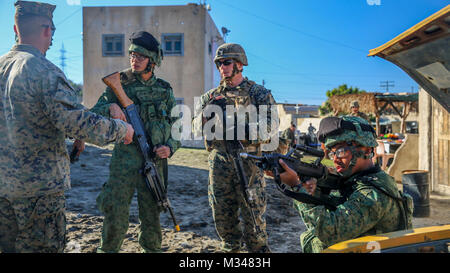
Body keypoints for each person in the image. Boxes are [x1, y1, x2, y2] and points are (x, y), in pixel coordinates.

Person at [0, 0, 134, 253]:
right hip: (38, 194)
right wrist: (121, 129)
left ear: (16, 29)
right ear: (47, 30)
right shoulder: (44, 71)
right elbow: (75, 122)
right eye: (52, 31)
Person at [89, 31, 180, 253]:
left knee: (151, 218)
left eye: (140, 56)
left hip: (154, 162)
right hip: (124, 161)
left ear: (153, 60)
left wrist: (170, 147)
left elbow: (176, 124)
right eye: (132, 55)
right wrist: (110, 107)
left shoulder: (164, 89)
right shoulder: (119, 83)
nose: (134, 60)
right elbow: (94, 112)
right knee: (116, 214)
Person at [272, 116, 413, 253]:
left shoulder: (373, 193)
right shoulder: (362, 177)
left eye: (341, 151)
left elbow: (330, 231)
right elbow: (323, 167)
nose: (335, 160)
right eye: (332, 153)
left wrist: (296, 186)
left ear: (366, 149)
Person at [196, 43, 277, 253]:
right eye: (219, 64)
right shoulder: (210, 97)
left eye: (226, 62)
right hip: (220, 164)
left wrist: (239, 128)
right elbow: (196, 128)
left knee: (254, 222)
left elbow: (271, 125)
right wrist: (207, 116)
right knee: (224, 220)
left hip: (248, 166)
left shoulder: (259, 93)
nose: (222, 67)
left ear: (240, 64)